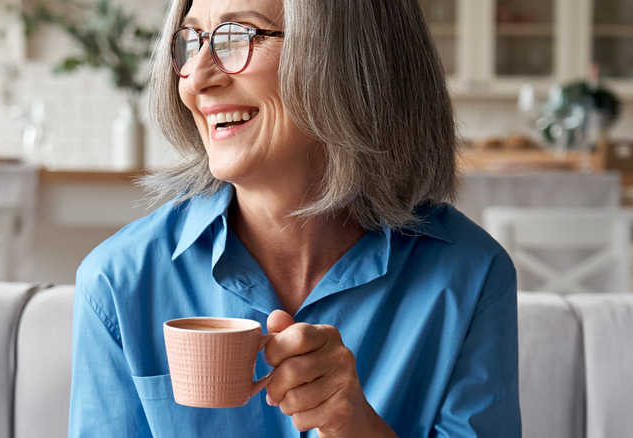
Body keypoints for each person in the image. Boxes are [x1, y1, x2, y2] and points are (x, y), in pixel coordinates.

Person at [69, 0, 521, 436]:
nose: (196, 79)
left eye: (236, 37)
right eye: (190, 40)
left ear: (350, 58)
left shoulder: (471, 277)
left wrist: (355, 429)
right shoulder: (116, 283)